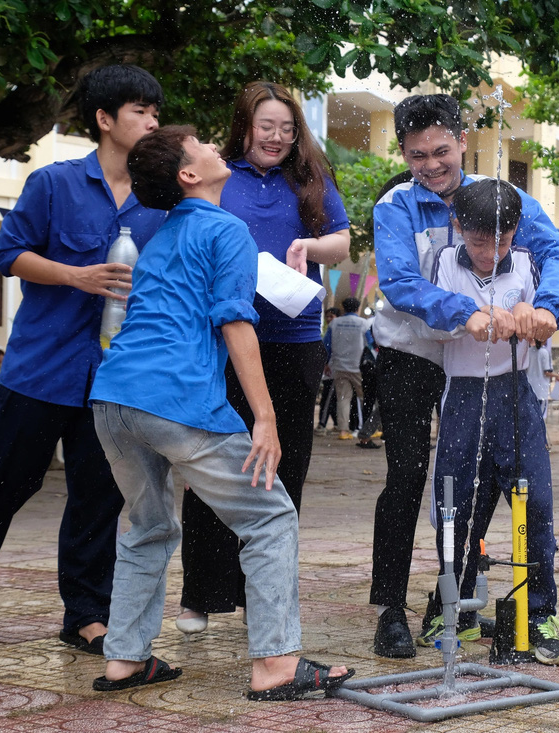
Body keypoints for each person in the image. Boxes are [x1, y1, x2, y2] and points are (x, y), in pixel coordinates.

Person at [89, 124, 351, 697]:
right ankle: (277, 665)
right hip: (174, 398)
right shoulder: (226, 229)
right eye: (202, 145)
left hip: (112, 398)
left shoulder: (160, 235)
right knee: (270, 516)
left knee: (149, 526)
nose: (214, 145)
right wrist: (265, 415)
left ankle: (126, 659)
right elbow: (236, 322)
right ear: (189, 174)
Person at [0, 65, 166, 647]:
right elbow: (8, 254)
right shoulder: (54, 183)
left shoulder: (160, 203)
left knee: (98, 496)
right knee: (2, 483)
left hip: (116, 378)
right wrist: (75, 276)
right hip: (42, 368)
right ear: (105, 119)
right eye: (140, 111)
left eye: (156, 113)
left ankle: (86, 614)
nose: (151, 121)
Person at [369, 93, 559, 658]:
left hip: (497, 374)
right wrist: (466, 315)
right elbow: (401, 284)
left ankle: (484, 606)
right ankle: (392, 607)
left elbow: (556, 257)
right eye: (417, 156)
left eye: (441, 151)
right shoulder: (395, 207)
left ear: (463, 140)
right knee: (415, 480)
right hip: (415, 356)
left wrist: (549, 310)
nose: (431, 165)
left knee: (501, 487)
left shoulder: (503, 201)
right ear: (404, 153)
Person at [175, 81, 350, 635]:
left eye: (286, 128)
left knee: (285, 469)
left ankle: (265, 596)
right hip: (225, 341)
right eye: (265, 125)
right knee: (215, 463)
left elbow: (342, 242)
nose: (275, 137)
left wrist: (308, 248)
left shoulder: (311, 182)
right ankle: (200, 593)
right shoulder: (218, 175)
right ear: (244, 126)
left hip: (296, 340)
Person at [417, 179, 559, 664]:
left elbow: (550, 312)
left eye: (500, 241)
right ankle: (449, 608)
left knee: (536, 503)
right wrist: (470, 316)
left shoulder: (528, 261)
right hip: (462, 397)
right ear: (459, 228)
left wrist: (535, 313)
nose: (489, 252)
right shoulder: (442, 261)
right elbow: (428, 321)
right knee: (454, 504)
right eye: (479, 241)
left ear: (516, 231)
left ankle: (540, 612)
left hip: (515, 396)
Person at [324, 297, 370, 440]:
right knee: (365, 398)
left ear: (343, 308)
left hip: (339, 366)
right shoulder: (363, 323)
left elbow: (326, 345)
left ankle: (343, 431)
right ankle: (367, 429)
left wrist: (326, 363)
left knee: (343, 399)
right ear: (358, 308)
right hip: (359, 367)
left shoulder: (335, 324)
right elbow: (371, 343)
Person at [317, 306, 343, 432]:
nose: (329, 319)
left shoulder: (332, 329)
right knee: (333, 397)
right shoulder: (339, 329)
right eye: (327, 316)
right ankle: (338, 424)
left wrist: (325, 363)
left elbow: (326, 348)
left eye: (331, 316)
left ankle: (322, 424)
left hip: (332, 368)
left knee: (328, 397)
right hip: (344, 368)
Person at [526, 339, 555, 421]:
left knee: (531, 418)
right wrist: (557, 376)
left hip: (530, 388)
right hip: (541, 389)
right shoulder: (545, 352)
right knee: (539, 417)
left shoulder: (528, 352)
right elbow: (547, 372)